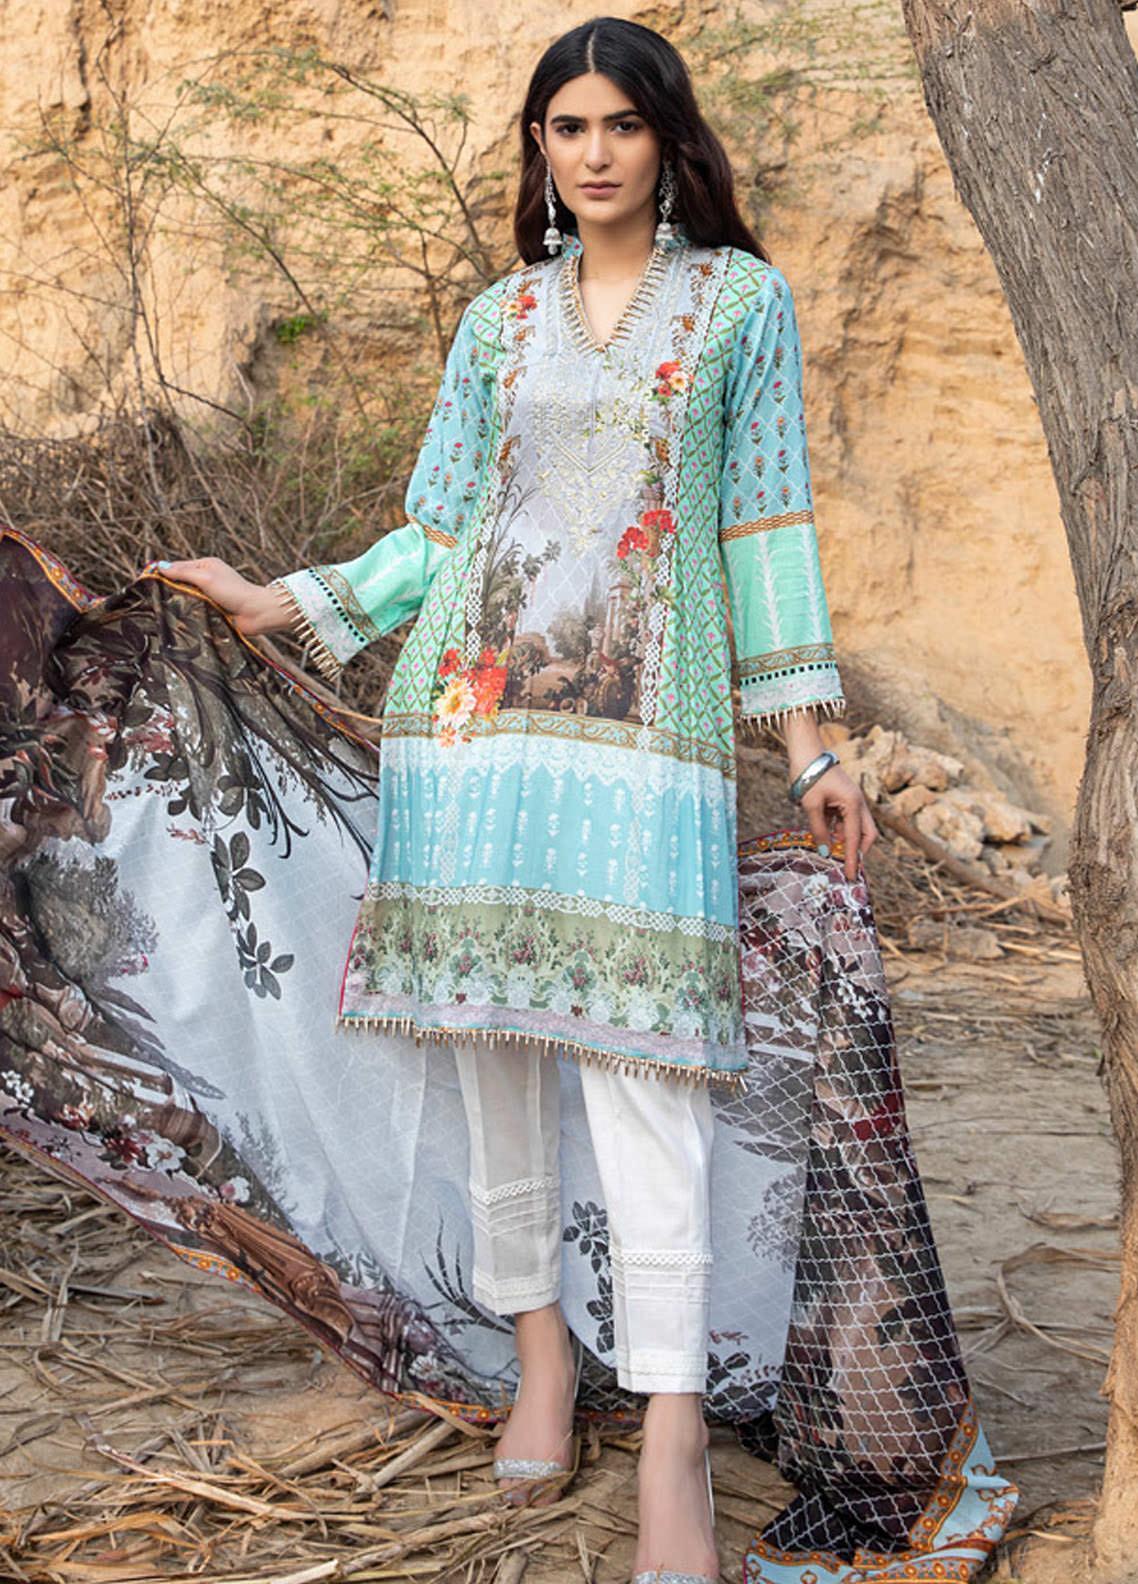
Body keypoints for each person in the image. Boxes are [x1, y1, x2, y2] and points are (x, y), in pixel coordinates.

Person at [158, 17, 878, 1580]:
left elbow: (762, 531)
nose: (595, 152)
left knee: (649, 1078)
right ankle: (539, 1351)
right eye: (568, 126)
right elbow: (440, 531)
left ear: (667, 140)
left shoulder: (738, 305)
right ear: (539, 149)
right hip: (471, 732)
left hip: (645, 742)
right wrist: (285, 601)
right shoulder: (498, 321)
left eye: (622, 123)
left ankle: (671, 1425)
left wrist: (811, 742)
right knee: (494, 1058)